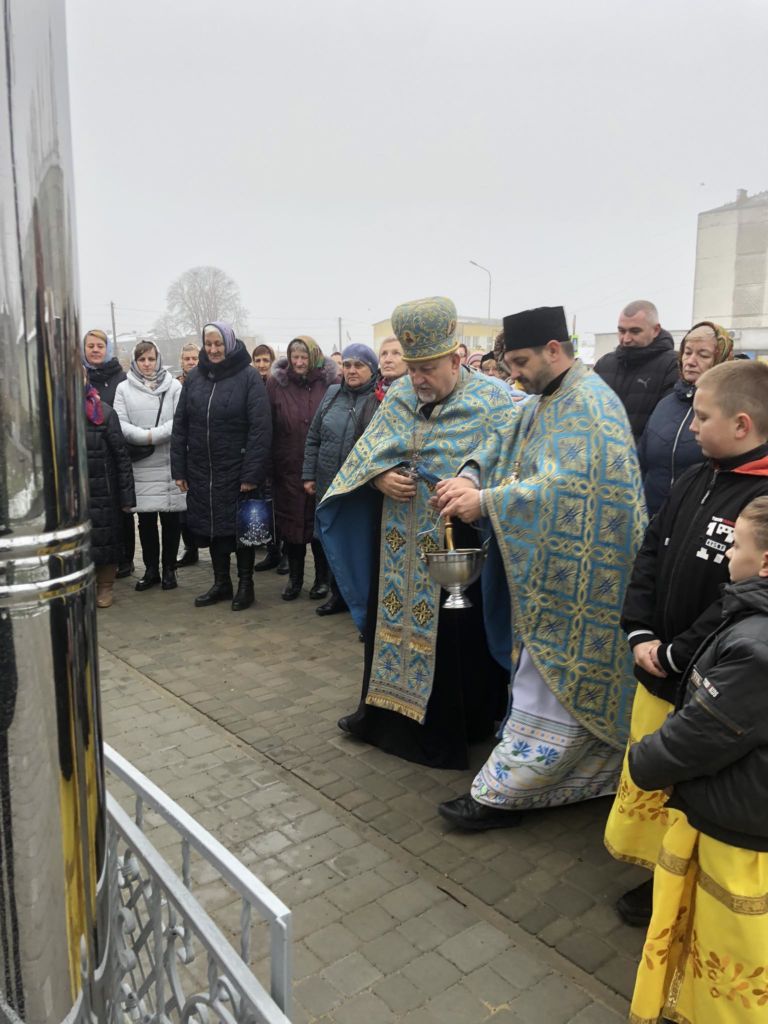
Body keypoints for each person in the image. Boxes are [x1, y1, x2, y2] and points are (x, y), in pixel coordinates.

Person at [434, 306, 647, 828]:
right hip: (550, 573)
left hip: (586, 582)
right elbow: (502, 438)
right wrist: (469, 472)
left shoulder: (591, 405)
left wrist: (484, 502)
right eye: (510, 364)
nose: (515, 375)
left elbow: (564, 487)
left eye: (523, 362)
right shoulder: (543, 399)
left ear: (556, 349)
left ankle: (504, 793)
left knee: (548, 679)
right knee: (541, 678)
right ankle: (590, 775)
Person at [317, 296, 515, 769]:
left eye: (428, 367)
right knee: (388, 626)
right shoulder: (401, 396)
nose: (418, 378)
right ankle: (381, 717)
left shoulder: (492, 399)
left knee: (453, 638)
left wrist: (469, 480)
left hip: (456, 542)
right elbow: (368, 453)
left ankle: (449, 729)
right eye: (412, 367)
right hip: (394, 536)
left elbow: (503, 456)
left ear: (455, 357)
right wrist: (379, 476)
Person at [603, 359, 768, 927]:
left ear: (742, 425)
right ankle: (658, 873)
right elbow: (650, 553)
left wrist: (677, 653)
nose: (689, 426)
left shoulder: (762, 502)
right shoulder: (698, 476)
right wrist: (641, 628)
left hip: (706, 681)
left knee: (689, 787)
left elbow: (738, 602)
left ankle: (679, 890)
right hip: (658, 660)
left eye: (701, 416)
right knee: (655, 780)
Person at [626, 496, 768, 1024]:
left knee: (732, 948)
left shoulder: (756, 647)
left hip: (740, 822)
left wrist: (643, 760)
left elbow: (705, 730)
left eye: (736, 547)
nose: (728, 557)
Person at [171, 322, 271, 611]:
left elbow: (261, 428)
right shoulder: (195, 378)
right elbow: (181, 425)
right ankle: (221, 582)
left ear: (230, 343)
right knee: (213, 527)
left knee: (242, 529)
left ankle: (245, 585)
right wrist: (179, 468)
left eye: (219, 344)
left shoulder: (249, 377)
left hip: (237, 469)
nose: (213, 350)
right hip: (203, 469)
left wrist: (252, 472)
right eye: (209, 344)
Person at [302, 343, 378, 616]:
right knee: (331, 541)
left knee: (359, 547)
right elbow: (314, 438)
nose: (351, 370)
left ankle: (365, 605)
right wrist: (309, 474)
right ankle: (339, 596)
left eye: (359, 365)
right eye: (347, 365)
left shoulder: (380, 398)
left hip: (359, 488)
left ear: (372, 369)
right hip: (328, 482)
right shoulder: (333, 393)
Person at [266, 336, 337, 601]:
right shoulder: (276, 384)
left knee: (318, 526)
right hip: (288, 466)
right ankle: (295, 580)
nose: (298, 362)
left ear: (314, 357)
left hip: (321, 467)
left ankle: (322, 580)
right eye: (294, 357)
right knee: (292, 528)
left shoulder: (330, 382)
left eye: (303, 357)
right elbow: (268, 424)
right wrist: (269, 466)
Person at [638, 321, 732, 516]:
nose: (690, 361)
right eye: (687, 352)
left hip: (695, 522)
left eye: (703, 355)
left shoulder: (729, 408)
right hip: (651, 518)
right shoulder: (665, 404)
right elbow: (642, 462)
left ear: (720, 358)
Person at [113, 341, 185, 591]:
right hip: (141, 464)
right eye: (142, 359)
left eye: (151, 359)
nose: (147, 364)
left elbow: (180, 421)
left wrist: (153, 435)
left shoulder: (173, 386)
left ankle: (169, 570)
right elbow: (119, 422)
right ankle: (151, 569)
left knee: (171, 520)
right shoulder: (123, 389)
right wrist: (145, 438)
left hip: (168, 463)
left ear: (158, 359)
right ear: (135, 361)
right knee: (145, 521)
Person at [82, 328, 134, 578]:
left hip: (117, 447)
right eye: (90, 346)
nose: (94, 350)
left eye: (99, 346)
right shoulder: (80, 376)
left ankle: (125, 560)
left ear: (107, 349)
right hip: (92, 453)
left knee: (121, 513)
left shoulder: (120, 378)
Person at [593, 300, 679, 440]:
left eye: (635, 331)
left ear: (655, 330)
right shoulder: (604, 365)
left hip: (645, 459)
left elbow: (667, 423)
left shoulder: (672, 365)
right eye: (621, 331)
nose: (626, 339)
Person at [84, 379, 135, 607]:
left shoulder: (102, 411)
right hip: (74, 494)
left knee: (106, 541)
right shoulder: (55, 413)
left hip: (103, 491)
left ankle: (105, 587)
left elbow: (121, 457)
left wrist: (126, 497)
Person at [175, 342, 201, 569]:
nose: (191, 362)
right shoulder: (175, 385)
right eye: (187, 359)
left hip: (200, 450)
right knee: (182, 507)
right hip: (182, 449)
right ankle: (189, 548)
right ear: (181, 361)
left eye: (195, 358)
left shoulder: (206, 382)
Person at [358, 334, 408, 435]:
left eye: (396, 353)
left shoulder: (420, 398)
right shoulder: (371, 400)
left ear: (409, 360)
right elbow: (357, 440)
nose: (388, 359)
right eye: (384, 354)